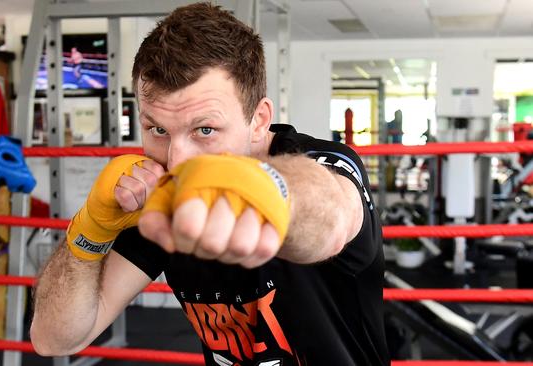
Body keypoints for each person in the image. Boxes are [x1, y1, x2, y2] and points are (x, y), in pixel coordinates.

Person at [31, 3, 388, 365]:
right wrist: (90, 230)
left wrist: (269, 194)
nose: (176, 160)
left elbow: (331, 216)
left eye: (205, 130)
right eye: (158, 130)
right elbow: (53, 338)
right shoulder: (162, 190)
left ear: (258, 120)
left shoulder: (327, 165)